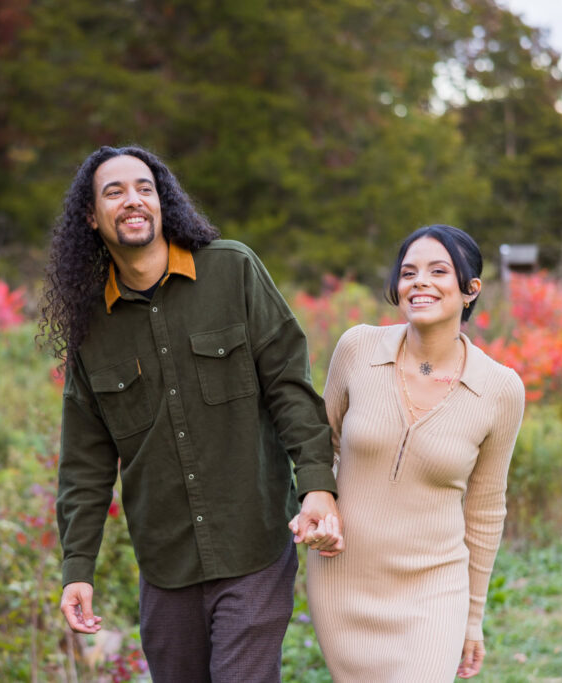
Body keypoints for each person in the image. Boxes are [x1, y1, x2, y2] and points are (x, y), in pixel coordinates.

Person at [39, 145, 343, 682]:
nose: (132, 200)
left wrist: (317, 484)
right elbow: (84, 465)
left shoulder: (232, 270)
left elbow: (289, 387)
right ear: (91, 217)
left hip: (254, 545)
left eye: (144, 188)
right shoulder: (92, 328)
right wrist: (76, 570)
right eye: (114, 192)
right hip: (166, 564)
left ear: (163, 203)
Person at [298, 225, 524, 681]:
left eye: (438, 271)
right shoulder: (357, 348)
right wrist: (317, 503)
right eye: (408, 272)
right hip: (343, 578)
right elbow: (320, 447)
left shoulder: (500, 389)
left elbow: (485, 508)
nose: (419, 281)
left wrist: (474, 617)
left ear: (470, 290)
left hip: (434, 587)